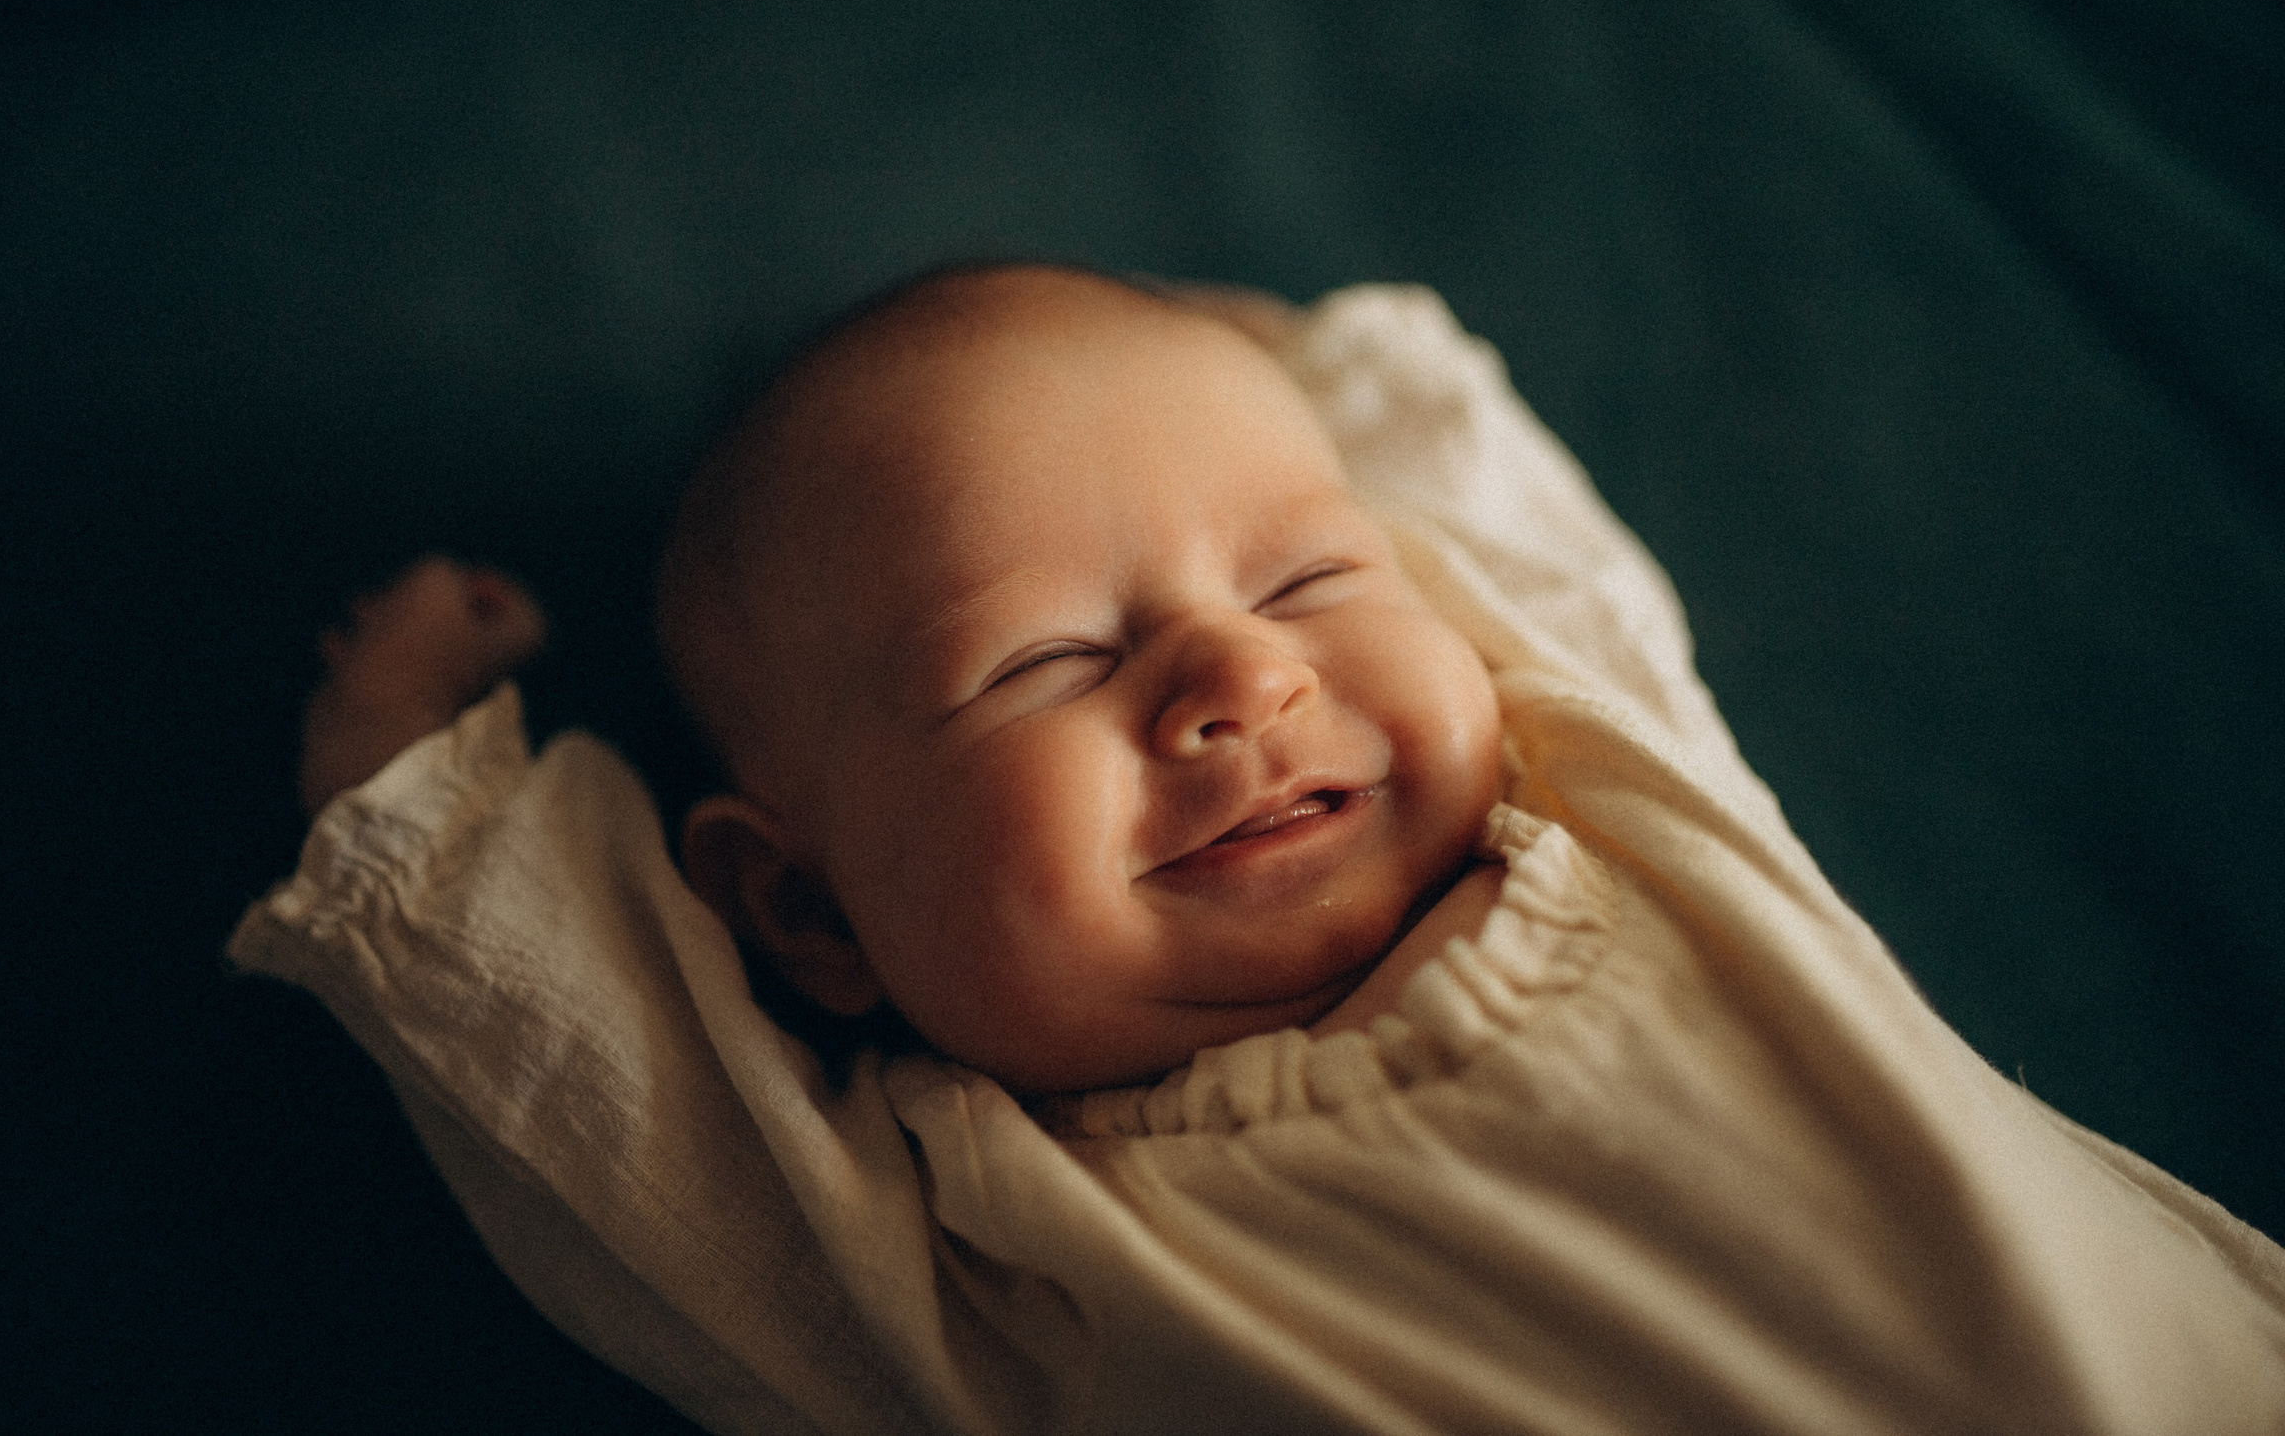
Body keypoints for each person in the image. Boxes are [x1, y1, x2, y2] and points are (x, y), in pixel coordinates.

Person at [243, 264, 2285, 1435]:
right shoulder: (981, 1253)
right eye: (1047, 657)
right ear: (800, 902)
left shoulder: (1612, 801)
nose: (1237, 673)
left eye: (1307, 576)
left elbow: (1504, 530)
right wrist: (413, 774)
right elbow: (609, 1115)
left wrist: (1254, 352)